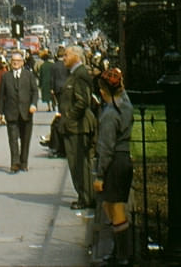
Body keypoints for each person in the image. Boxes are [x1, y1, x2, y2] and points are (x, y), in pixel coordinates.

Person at [93, 67, 135, 266]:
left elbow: (106, 147)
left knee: (115, 208)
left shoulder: (110, 114)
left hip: (114, 163)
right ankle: (120, 252)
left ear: (103, 92)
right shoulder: (125, 104)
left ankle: (122, 256)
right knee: (110, 205)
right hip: (124, 158)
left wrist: (100, 175)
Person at [58, 45, 97, 210]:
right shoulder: (75, 74)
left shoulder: (79, 75)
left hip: (77, 127)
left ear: (76, 56)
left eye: (66, 55)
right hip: (74, 126)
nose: (63, 58)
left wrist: (68, 119)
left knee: (78, 163)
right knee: (78, 163)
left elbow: (83, 101)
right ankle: (84, 195)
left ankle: (86, 197)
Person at [0, 50, 40, 173]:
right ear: (10, 63)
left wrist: (33, 104)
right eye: (13, 61)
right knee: (13, 139)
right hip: (11, 112)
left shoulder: (29, 75)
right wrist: (0, 112)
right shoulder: (6, 76)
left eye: (18, 61)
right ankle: (15, 163)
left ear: (22, 62)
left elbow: (35, 91)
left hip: (26, 113)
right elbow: (1, 96)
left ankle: (24, 162)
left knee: (25, 139)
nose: (15, 63)